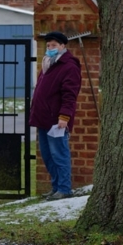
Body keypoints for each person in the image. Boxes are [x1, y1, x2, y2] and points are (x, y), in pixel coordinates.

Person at [29, 31, 81, 201]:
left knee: (59, 153)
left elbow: (69, 95)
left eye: (54, 45)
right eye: (48, 45)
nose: (50, 48)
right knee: (47, 155)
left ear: (62, 46)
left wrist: (64, 117)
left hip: (56, 120)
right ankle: (56, 186)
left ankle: (65, 188)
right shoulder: (48, 64)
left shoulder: (69, 66)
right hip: (43, 118)